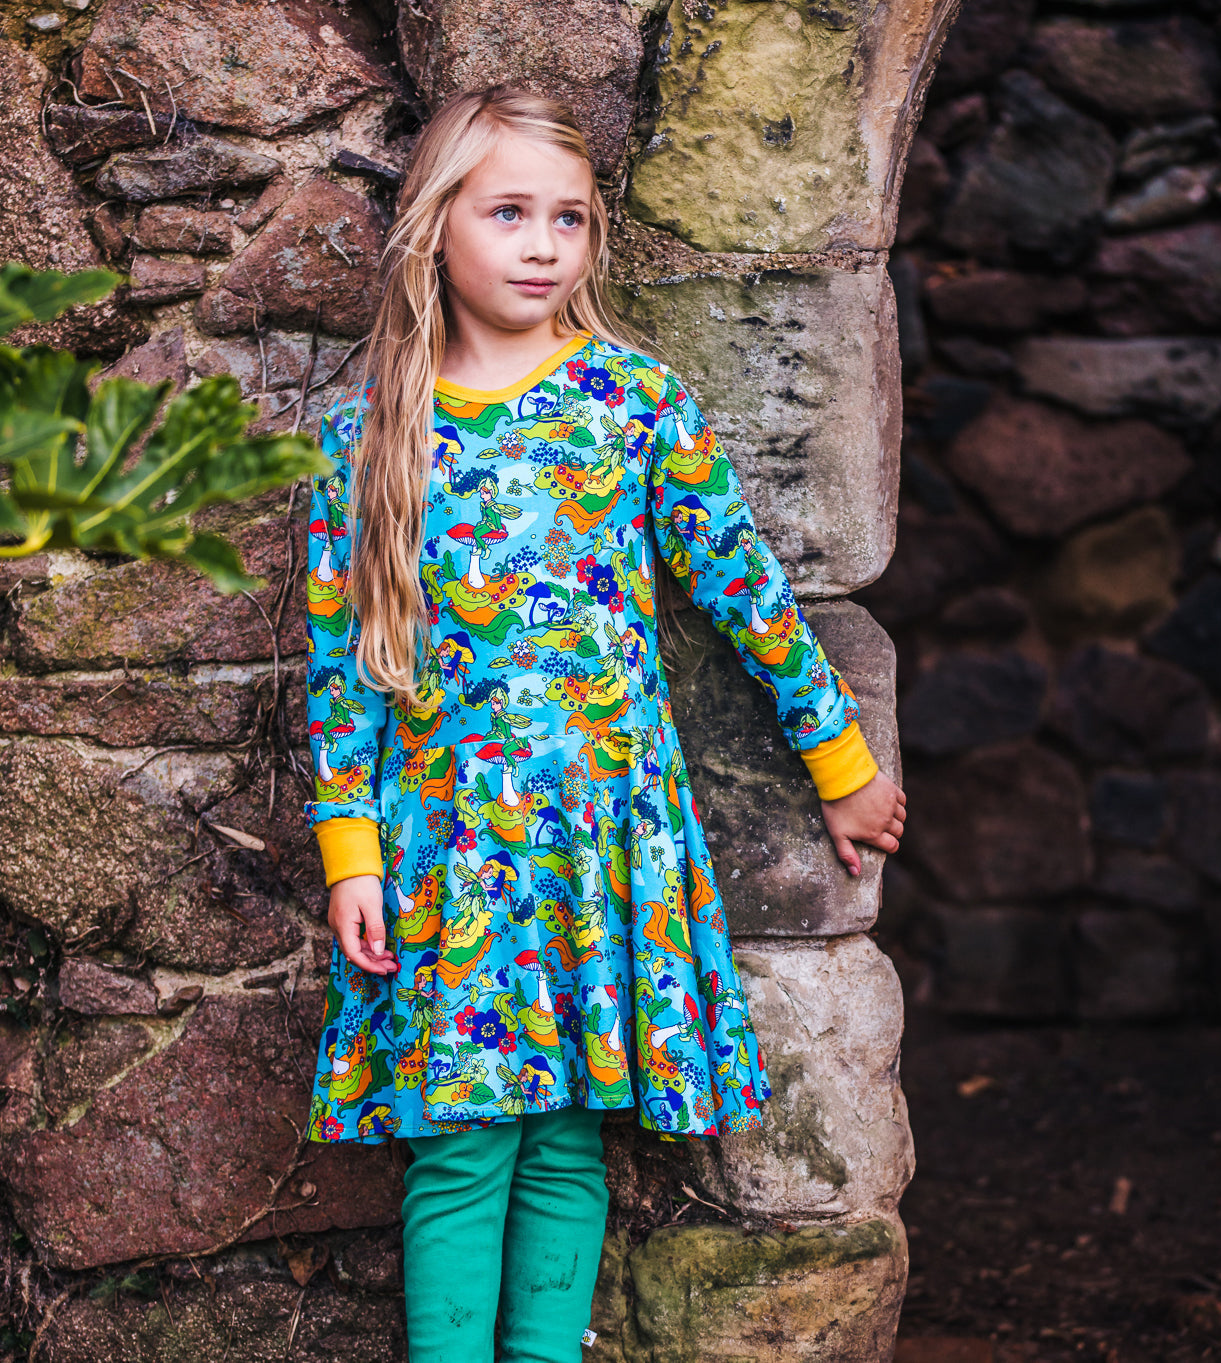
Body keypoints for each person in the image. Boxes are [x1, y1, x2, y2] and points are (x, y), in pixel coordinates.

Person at [303, 84, 907, 1363]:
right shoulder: (367, 434)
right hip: (450, 851)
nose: (542, 245)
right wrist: (350, 851)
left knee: (570, 1137)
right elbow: (343, 668)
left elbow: (745, 592)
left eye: (568, 218)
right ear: (435, 226)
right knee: (461, 1144)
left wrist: (841, 762)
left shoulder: (632, 402)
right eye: (507, 213)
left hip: (601, 840)